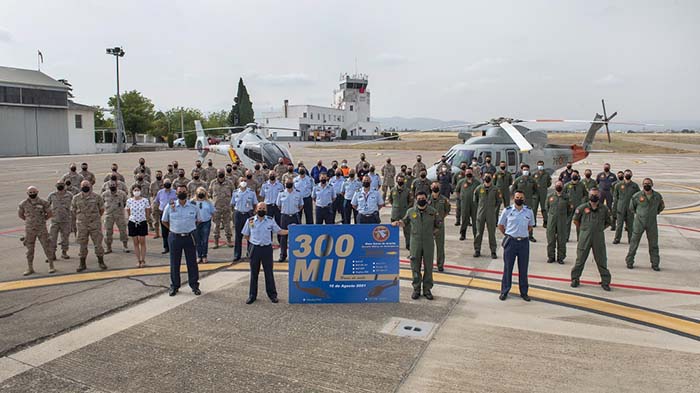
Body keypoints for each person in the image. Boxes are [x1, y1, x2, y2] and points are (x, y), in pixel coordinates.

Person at [392, 191, 440, 300]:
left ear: (426, 199)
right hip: (415, 242)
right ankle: (416, 289)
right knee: (415, 266)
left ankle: (427, 289)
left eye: (423, 198)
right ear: (416, 199)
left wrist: (432, 233)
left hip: (428, 242)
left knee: (428, 266)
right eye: (419, 198)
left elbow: (438, 225)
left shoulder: (432, 212)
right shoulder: (410, 211)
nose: (421, 200)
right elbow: (404, 222)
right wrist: (397, 223)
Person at [242, 202, 289, 304]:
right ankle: (252, 296)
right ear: (256, 209)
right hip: (255, 249)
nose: (261, 210)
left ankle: (272, 295)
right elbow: (246, 235)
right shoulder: (250, 221)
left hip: (267, 249)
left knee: (269, 273)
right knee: (254, 273)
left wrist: (291, 230)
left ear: (266, 210)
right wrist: (253, 242)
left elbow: (279, 231)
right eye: (260, 208)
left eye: (263, 208)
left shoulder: (270, 221)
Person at [162, 185, 201, 296]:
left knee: (192, 263)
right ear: (176, 194)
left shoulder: (193, 206)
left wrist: (189, 228)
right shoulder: (170, 206)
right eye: (180, 192)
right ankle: (174, 286)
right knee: (175, 263)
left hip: (189, 237)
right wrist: (173, 229)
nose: (182, 193)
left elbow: (198, 220)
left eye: (184, 191)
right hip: (175, 237)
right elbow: (164, 220)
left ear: (187, 192)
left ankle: (194, 286)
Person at [570, 188, 612, 291]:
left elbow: (608, 222)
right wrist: (585, 229)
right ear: (589, 196)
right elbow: (575, 220)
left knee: (601, 259)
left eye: (596, 195)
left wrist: (599, 229)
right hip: (585, 237)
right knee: (580, 259)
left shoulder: (604, 209)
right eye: (592, 195)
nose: (594, 197)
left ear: (599, 196)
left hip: (598, 237)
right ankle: (575, 278)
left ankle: (605, 281)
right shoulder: (582, 208)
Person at [497, 190, 534, 301]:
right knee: (508, 268)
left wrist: (521, 234)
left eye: (521, 197)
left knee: (523, 269)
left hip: (523, 242)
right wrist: (509, 234)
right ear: (514, 198)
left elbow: (530, 226)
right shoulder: (507, 211)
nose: (519, 199)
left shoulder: (528, 211)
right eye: (517, 197)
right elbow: (501, 225)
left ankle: (524, 292)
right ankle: (504, 291)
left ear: (524, 199)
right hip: (511, 242)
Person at [625, 178, 664, 270]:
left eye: (649, 183)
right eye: (645, 183)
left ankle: (655, 264)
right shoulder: (637, 196)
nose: (647, 185)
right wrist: (640, 214)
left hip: (652, 223)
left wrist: (652, 214)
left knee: (654, 244)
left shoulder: (657, 196)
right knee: (634, 243)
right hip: (639, 223)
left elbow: (661, 207)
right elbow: (632, 208)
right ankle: (629, 261)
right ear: (643, 185)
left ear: (652, 184)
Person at [18, 186, 54, 275]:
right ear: (27, 193)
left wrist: (42, 220)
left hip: (41, 229)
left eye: (34, 192)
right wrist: (30, 221)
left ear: (37, 192)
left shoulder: (43, 203)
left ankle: (51, 266)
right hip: (29, 230)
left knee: (47, 247)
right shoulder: (23, 204)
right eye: (30, 192)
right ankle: (30, 268)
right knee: (29, 250)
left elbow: (49, 213)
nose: (32, 194)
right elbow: (21, 215)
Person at [72, 180, 106, 272]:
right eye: (83, 185)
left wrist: (94, 217)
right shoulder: (76, 198)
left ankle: (101, 261)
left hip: (94, 224)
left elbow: (101, 210)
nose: (85, 186)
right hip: (82, 225)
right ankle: (82, 264)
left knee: (98, 244)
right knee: (82, 245)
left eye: (87, 185)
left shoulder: (97, 197)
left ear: (90, 186)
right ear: (80, 186)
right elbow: (73, 210)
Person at [473, 174, 502, 259]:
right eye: (486, 176)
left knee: (492, 233)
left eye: (489, 176)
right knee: (478, 233)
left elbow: (498, 201)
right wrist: (480, 208)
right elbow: (475, 200)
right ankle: (477, 249)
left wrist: (492, 209)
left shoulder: (495, 189)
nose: (487, 178)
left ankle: (493, 251)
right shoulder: (479, 188)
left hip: (491, 214)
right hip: (481, 213)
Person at [276, 180, 303, 262]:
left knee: (296, 236)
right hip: (285, 216)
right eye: (287, 182)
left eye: (289, 182)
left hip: (294, 216)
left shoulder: (298, 193)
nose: (288, 183)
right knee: (283, 237)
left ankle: (297, 254)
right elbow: (279, 205)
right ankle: (283, 255)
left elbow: (301, 205)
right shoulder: (281, 193)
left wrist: (294, 211)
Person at [231, 180, 257, 261]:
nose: (243, 182)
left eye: (244, 180)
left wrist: (253, 213)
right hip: (238, 214)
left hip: (249, 215)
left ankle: (250, 253)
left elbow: (255, 203)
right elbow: (232, 204)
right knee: (238, 235)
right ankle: (237, 255)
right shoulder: (235, 192)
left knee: (251, 234)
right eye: (241, 180)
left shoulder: (251, 192)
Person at [612, 170, 640, 244]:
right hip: (620, 208)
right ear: (624, 175)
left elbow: (638, 197)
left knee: (630, 226)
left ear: (631, 175)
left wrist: (636, 208)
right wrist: (614, 209)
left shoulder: (635, 186)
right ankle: (617, 239)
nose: (628, 175)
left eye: (629, 174)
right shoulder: (618, 185)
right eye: (626, 174)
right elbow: (615, 198)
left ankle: (631, 239)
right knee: (619, 225)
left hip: (630, 209)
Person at [545, 181, 570, 264]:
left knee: (561, 240)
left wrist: (564, 217)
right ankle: (551, 257)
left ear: (562, 187)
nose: (558, 186)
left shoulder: (566, 197)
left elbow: (570, 210)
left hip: (562, 221)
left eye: (560, 185)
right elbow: (547, 207)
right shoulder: (550, 196)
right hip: (552, 221)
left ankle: (561, 257)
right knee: (551, 239)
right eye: (557, 185)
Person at [47, 180, 73, 261]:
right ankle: (52, 254)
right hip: (55, 220)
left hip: (66, 220)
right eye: (58, 184)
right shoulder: (52, 195)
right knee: (52, 238)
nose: (60, 186)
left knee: (65, 237)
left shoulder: (69, 195)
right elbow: (47, 206)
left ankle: (64, 253)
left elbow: (75, 204)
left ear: (64, 185)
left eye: (61, 184)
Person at [511, 164, 538, 241]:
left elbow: (536, 190)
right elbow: (513, 189)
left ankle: (530, 235)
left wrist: (534, 197)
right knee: (518, 218)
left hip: (529, 201)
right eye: (524, 169)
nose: (525, 171)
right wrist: (515, 198)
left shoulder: (532, 180)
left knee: (529, 218)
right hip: (519, 202)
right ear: (522, 170)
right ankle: (517, 233)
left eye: (527, 169)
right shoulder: (518, 180)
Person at [102, 181, 130, 254]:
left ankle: (125, 246)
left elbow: (125, 203)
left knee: (123, 231)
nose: (112, 186)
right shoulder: (105, 194)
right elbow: (101, 204)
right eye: (111, 185)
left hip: (119, 215)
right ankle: (108, 247)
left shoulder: (122, 194)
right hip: (109, 215)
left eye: (113, 185)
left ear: (116, 185)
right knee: (108, 232)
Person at [209, 170, 234, 248]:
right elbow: (210, 193)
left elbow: (233, 193)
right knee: (216, 225)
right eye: (219, 173)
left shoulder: (229, 183)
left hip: (226, 207)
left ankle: (229, 240)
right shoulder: (213, 183)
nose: (221, 174)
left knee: (227, 224)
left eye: (222, 172)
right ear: (217, 174)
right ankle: (216, 242)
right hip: (216, 208)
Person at [126, 186, 150, 268]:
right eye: (135, 190)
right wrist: (131, 218)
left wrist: (145, 219)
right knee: (135, 242)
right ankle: (138, 260)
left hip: (142, 222)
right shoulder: (129, 201)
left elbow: (147, 211)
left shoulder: (145, 200)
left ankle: (143, 259)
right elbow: (128, 211)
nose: (136, 191)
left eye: (138, 190)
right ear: (132, 191)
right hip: (133, 222)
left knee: (142, 241)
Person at [429, 182, 450, 271]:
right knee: (428, 247)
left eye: (437, 186)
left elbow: (447, 210)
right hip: (428, 226)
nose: (435, 187)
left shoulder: (444, 200)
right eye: (434, 186)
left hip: (439, 226)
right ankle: (428, 264)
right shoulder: (426, 199)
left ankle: (440, 264)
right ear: (431, 187)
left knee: (440, 246)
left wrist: (440, 218)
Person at [389, 174, 413, 250]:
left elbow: (411, 201)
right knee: (393, 230)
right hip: (395, 213)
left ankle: (408, 245)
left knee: (407, 231)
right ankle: (393, 245)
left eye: (401, 180)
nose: (400, 181)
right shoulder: (393, 190)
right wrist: (395, 206)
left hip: (405, 213)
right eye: (399, 180)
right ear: (396, 180)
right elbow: (390, 200)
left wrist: (406, 207)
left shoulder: (408, 190)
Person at [154, 179, 177, 253]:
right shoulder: (160, 192)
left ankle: (174, 247)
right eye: (166, 183)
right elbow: (156, 201)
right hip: (163, 213)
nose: (167, 184)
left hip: (172, 213)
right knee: (164, 231)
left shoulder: (175, 192)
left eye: (168, 183)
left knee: (173, 230)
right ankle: (166, 247)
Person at [456, 168, 480, 240]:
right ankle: (463, 234)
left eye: (470, 172)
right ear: (465, 173)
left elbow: (480, 193)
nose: (468, 173)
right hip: (464, 204)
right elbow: (457, 191)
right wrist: (460, 198)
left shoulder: (477, 182)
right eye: (467, 172)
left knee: (475, 220)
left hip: (474, 204)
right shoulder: (461, 182)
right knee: (464, 219)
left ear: (472, 173)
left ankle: (476, 234)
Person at [193, 187, 215, 264]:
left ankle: (204, 255)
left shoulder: (208, 202)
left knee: (205, 240)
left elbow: (213, 212)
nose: (201, 193)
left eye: (202, 191)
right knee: (197, 240)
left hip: (206, 222)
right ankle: (199, 255)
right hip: (196, 223)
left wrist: (213, 220)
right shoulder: (192, 202)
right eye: (199, 191)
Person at [564, 170, 588, 242]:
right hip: (569, 207)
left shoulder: (582, 185)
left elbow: (586, 195)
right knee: (567, 222)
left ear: (578, 176)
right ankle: (566, 237)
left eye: (575, 175)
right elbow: (563, 195)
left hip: (579, 207)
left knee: (578, 222)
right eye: (573, 175)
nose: (574, 176)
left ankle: (579, 237)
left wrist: (582, 202)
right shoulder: (567, 185)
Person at [532, 161, 551, 227]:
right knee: (534, 208)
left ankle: (545, 221)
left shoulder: (546, 174)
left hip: (543, 193)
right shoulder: (534, 174)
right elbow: (532, 183)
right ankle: (533, 222)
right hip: (535, 193)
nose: (540, 166)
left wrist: (544, 187)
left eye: (541, 165)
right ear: (537, 165)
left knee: (544, 208)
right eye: (539, 165)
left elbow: (549, 183)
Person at [150, 170, 164, 238]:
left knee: (164, 220)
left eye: (159, 174)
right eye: (157, 174)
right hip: (155, 204)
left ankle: (164, 233)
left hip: (163, 204)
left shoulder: (164, 183)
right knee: (155, 221)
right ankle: (157, 233)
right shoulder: (153, 184)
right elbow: (151, 194)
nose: (158, 175)